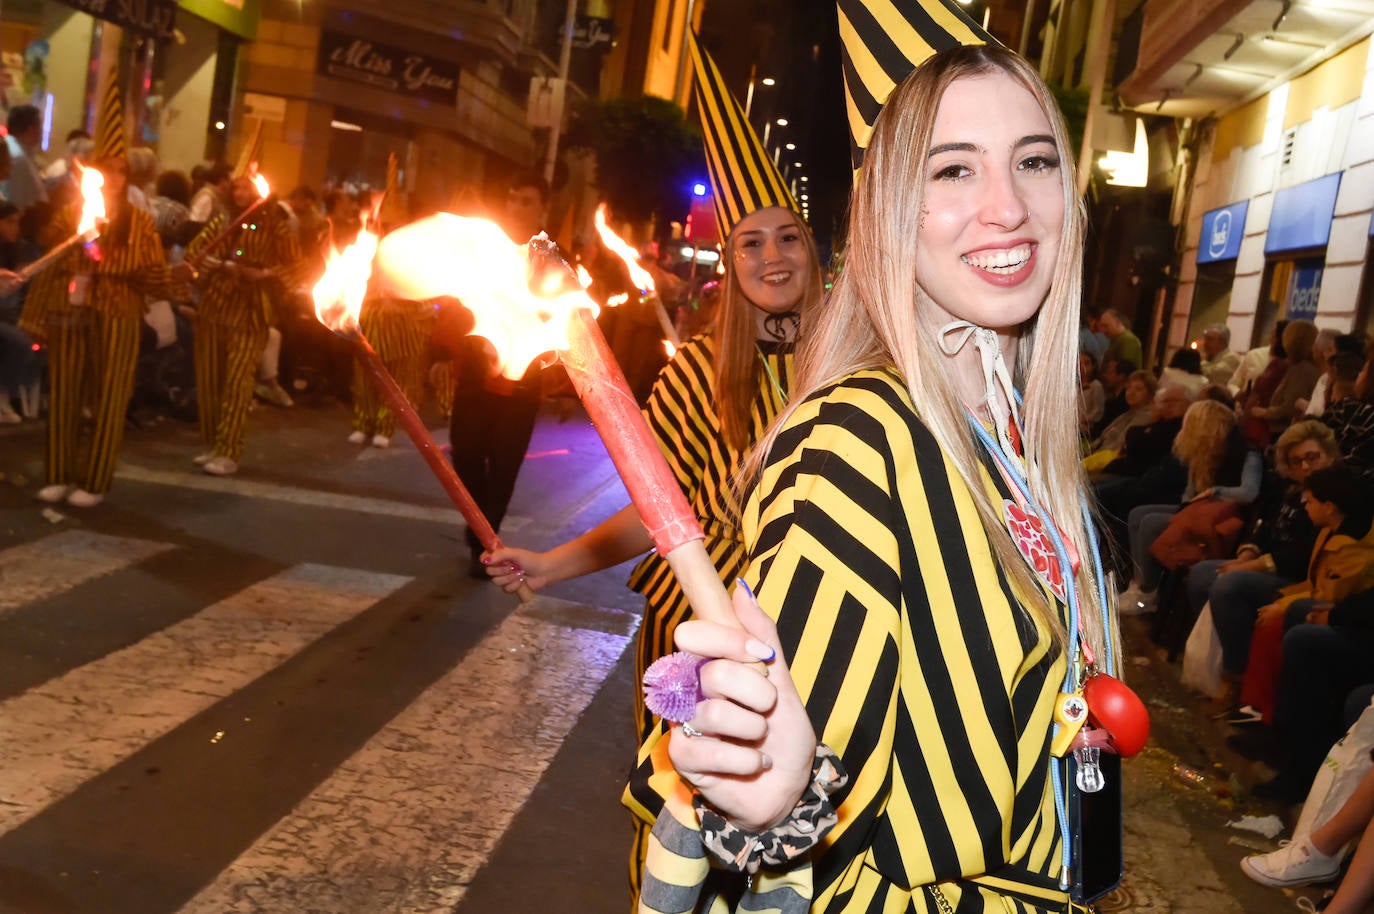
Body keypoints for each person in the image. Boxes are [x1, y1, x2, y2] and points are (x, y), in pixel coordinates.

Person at [640, 43, 1118, 914]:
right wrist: (773, 800)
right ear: (890, 209)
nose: (1006, 207)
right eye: (952, 170)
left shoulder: (1015, 441)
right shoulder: (861, 442)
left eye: (1035, 160)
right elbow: (786, 834)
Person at [484, 35, 825, 900]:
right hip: (691, 645)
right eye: (750, 242)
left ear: (815, 249)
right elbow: (654, 512)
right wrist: (550, 562)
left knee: (789, 840)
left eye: (789, 236)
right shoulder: (696, 371)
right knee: (677, 828)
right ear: (732, 261)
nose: (773, 256)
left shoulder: (859, 371)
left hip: (809, 640)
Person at [33, 157, 176, 507]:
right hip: (71, 310)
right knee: (65, 391)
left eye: (119, 169)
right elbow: (48, 247)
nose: (111, 177)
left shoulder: (140, 221)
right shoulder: (71, 213)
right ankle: (58, 474)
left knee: (109, 396)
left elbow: (152, 272)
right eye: (105, 168)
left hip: (118, 314)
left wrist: (103, 261)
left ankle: (94, 480)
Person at [445, 170, 554, 576]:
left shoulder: (551, 258)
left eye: (525, 200)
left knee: (504, 466)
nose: (516, 208)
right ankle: (479, 528)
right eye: (511, 199)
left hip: (521, 385)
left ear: (541, 207)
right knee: (466, 453)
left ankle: (484, 544)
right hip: (477, 375)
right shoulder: (488, 248)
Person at [185, 174, 300, 476]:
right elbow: (194, 255)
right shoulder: (223, 221)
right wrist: (215, 266)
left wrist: (264, 276)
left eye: (246, 186)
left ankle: (229, 450)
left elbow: (298, 266)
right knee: (210, 381)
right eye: (236, 186)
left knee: (237, 383)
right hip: (214, 309)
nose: (240, 192)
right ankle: (212, 443)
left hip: (251, 313)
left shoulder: (275, 226)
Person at [3, 105, 48, 210]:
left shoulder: (15, 148)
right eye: (40, 126)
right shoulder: (17, 157)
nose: (42, 131)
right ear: (32, 129)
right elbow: (15, 201)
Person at [1200, 323, 1241, 388]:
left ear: (1222, 342)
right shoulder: (1208, 357)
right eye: (1205, 339)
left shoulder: (1232, 358)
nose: (1205, 343)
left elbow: (1211, 375)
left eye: (1210, 339)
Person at [1078, 350, 1104, 435]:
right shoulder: (1073, 385)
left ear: (1093, 366)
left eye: (1086, 363)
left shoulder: (1096, 385)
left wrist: (1085, 419)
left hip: (1085, 426)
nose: (1082, 367)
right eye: (1079, 363)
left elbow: (1098, 410)